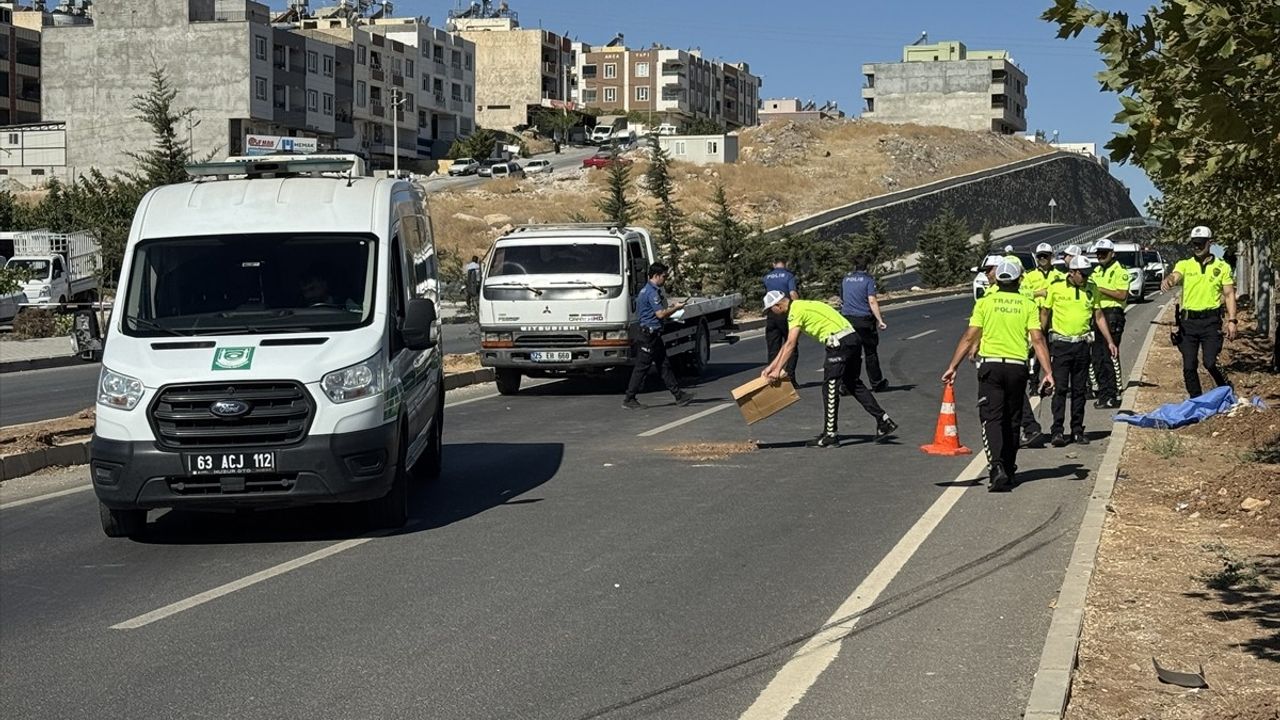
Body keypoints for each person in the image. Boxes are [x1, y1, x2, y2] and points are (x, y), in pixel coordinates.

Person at [942, 260, 1054, 491]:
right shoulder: (1027, 304)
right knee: (1013, 419)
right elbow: (1037, 339)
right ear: (1018, 279)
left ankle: (996, 466)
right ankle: (1010, 468)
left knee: (992, 418)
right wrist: (1048, 372)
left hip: (991, 367)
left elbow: (969, 337)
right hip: (1017, 367)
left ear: (998, 279)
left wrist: (953, 365)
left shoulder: (985, 303)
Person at [762, 290, 898, 448]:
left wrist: (778, 370)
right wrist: (772, 366)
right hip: (852, 339)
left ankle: (830, 434)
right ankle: (883, 420)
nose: (772, 315)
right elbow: (788, 345)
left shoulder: (794, 312)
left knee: (830, 387)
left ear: (778, 305)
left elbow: (791, 343)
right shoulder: (805, 304)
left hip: (838, 343)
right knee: (852, 383)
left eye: (770, 310)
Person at [1042, 256, 1118, 447]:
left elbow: (1098, 316)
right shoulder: (1056, 287)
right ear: (1072, 273)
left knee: (1079, 390)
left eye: (1087, 274)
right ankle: (1057, 430)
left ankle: (1077, 429)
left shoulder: (1091, 288)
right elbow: (1045, 314)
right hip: (1061, 345)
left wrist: (1110, 341)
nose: (1085, 277)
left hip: (1082, 345)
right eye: (1081, 274)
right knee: (1059, 389)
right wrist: (1038, 340)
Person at [1161, 225, 1238, 397]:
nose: (1197, 247)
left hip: (1211, 322)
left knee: (1210, 362)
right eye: (1194, 243)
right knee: (1189, 365)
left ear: (1210, 243)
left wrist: (1232, 321)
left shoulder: (1222, 267)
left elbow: (1229, 294)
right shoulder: (1185, 264)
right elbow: (1176, 275)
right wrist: (1169, 280)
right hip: (1188, 324)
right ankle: (1196, 400)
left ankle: (1226, 390)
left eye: (1201, 243)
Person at [623, 263, 695, 410]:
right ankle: (629, 398)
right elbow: (660, 314)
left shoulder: (646, 291)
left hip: (653, 335)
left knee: (664, 365)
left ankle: (679, 395)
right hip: (648, 336)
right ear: (656, 275)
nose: (665, 279)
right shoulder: (651, 292)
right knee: (642, 368)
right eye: (664, 276)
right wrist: (675, 308)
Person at [1088, 238, 1130, 409]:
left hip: (1112, 315)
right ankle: (1104, 393)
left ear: (1112, 254)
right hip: (1097, 314)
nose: (1100, 256)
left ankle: (1113, 393)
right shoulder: (1095, 270)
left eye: (1104, 253)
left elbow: (1122, 294)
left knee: (1108, 356)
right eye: (1098, 253)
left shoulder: (1120, 271)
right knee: (1097, 357)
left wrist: (1100, 289)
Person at [840, 255, 889, 391]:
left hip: (847, 319)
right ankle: (877, 383)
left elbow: (842, 299)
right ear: (867, 266)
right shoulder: (868, 280)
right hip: (864, 320)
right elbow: (872, 301)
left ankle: (846, 385)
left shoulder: (846, 279)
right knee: (870, 353)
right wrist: (880, 320)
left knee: (849, 353)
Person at [762, 258, 800, 388]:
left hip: (772, 313)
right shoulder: (789, 276)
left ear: (773, 264)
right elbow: (792, 293)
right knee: (791, 345)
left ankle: (772, 378)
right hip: (785, 311)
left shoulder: (767, 277)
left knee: (773, 347)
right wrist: (797, 307)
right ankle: (790, 378)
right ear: (786, 263)